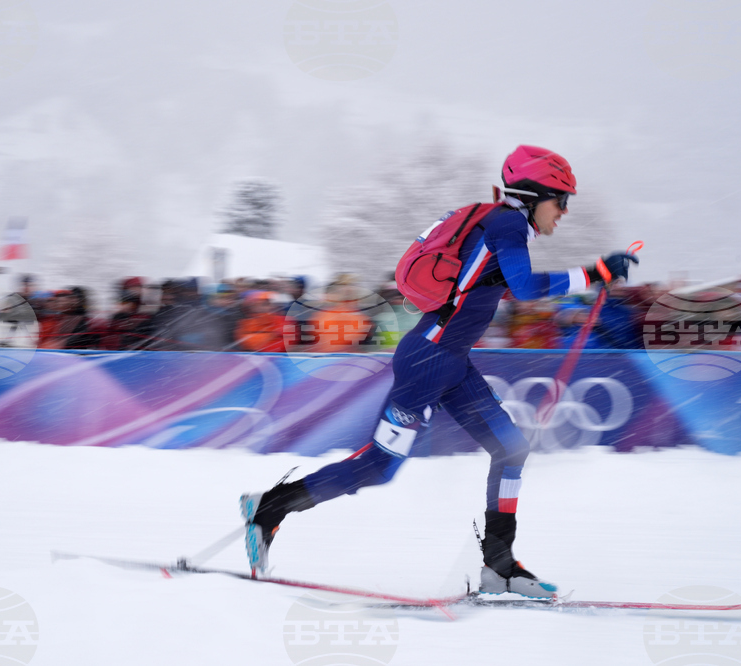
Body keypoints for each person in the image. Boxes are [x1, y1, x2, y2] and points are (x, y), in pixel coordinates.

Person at [239, 145, 639, 598]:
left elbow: (502, 286)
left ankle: (499, 566)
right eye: (560, 200)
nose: (564, 211)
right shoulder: (508, 223)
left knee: (511, 448)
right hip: (427, 362)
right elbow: (526, 287)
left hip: (450, 362)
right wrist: (595, 272)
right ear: (534, 196)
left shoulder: (501, 226)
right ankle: (268, 508)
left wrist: (592, 277)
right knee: (378, 467)